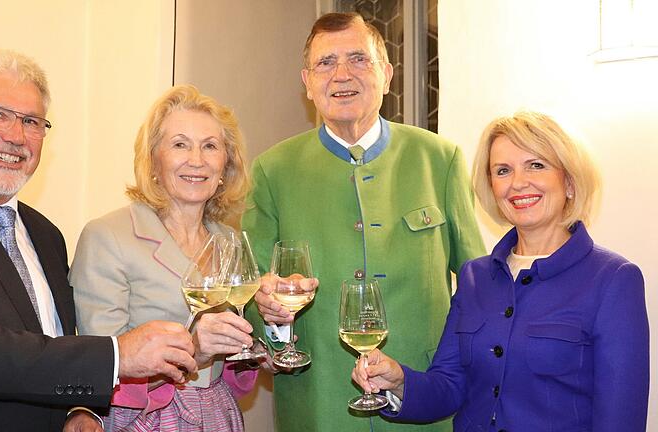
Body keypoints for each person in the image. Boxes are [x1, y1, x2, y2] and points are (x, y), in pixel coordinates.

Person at [0, 49, 198, 431]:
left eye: (32, 121)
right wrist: (118, 356)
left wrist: (77, 410)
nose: (16, 136)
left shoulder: (45, 234)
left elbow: (49, 344)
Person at [242, 12, 485, 432]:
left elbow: (479, 287)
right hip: (318, 409)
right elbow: (250, 297)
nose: (341, 75)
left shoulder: (440, 160)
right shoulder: (272, 171)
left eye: (359, 59)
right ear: (307, 81)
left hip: (425, 408)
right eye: (325, 63)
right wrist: (269, 314)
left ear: (387, 74)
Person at [353, 111, 650, 431]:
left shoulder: (613, 279)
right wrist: (398, 381)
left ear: (568, 180)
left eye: (536, 165)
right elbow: (449, 387)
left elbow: (621, 419)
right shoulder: (474, 277)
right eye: (503, 170)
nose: (518, 183)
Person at [67, 84, 258, 432]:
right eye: (180, 144)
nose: (197, 160)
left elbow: (235, 362)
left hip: (219, 415)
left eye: (210, 146)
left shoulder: (228, 239)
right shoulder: (107, 236)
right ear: (153, 159)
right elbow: (100, 368)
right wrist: (194, 351)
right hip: (149, 420)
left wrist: (267, 332)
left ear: (225, 164)